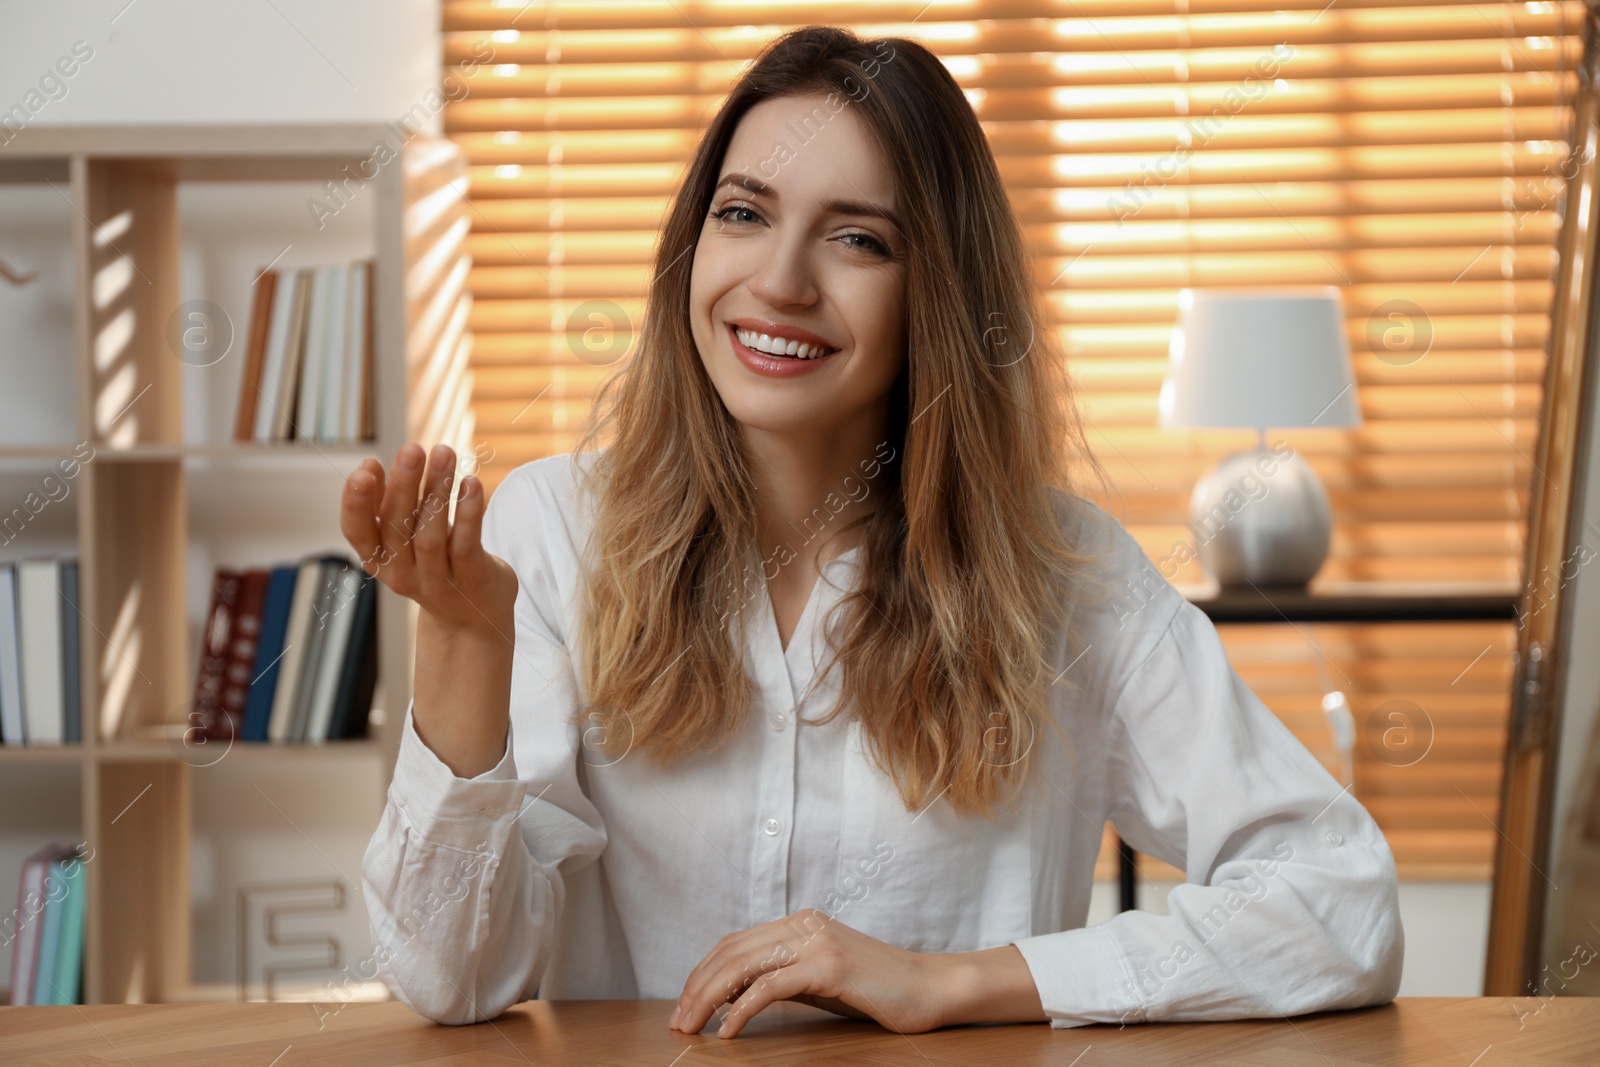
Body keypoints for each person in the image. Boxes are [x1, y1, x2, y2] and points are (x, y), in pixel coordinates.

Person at [340, 24, 1403, 1037]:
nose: (781, 281)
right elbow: (451, 975)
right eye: (743, 213)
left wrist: (952, 981)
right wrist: (465, 641)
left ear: (939, 292)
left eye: (858, 238)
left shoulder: (1065, 575)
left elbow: (1341, 900)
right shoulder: (555, 527)